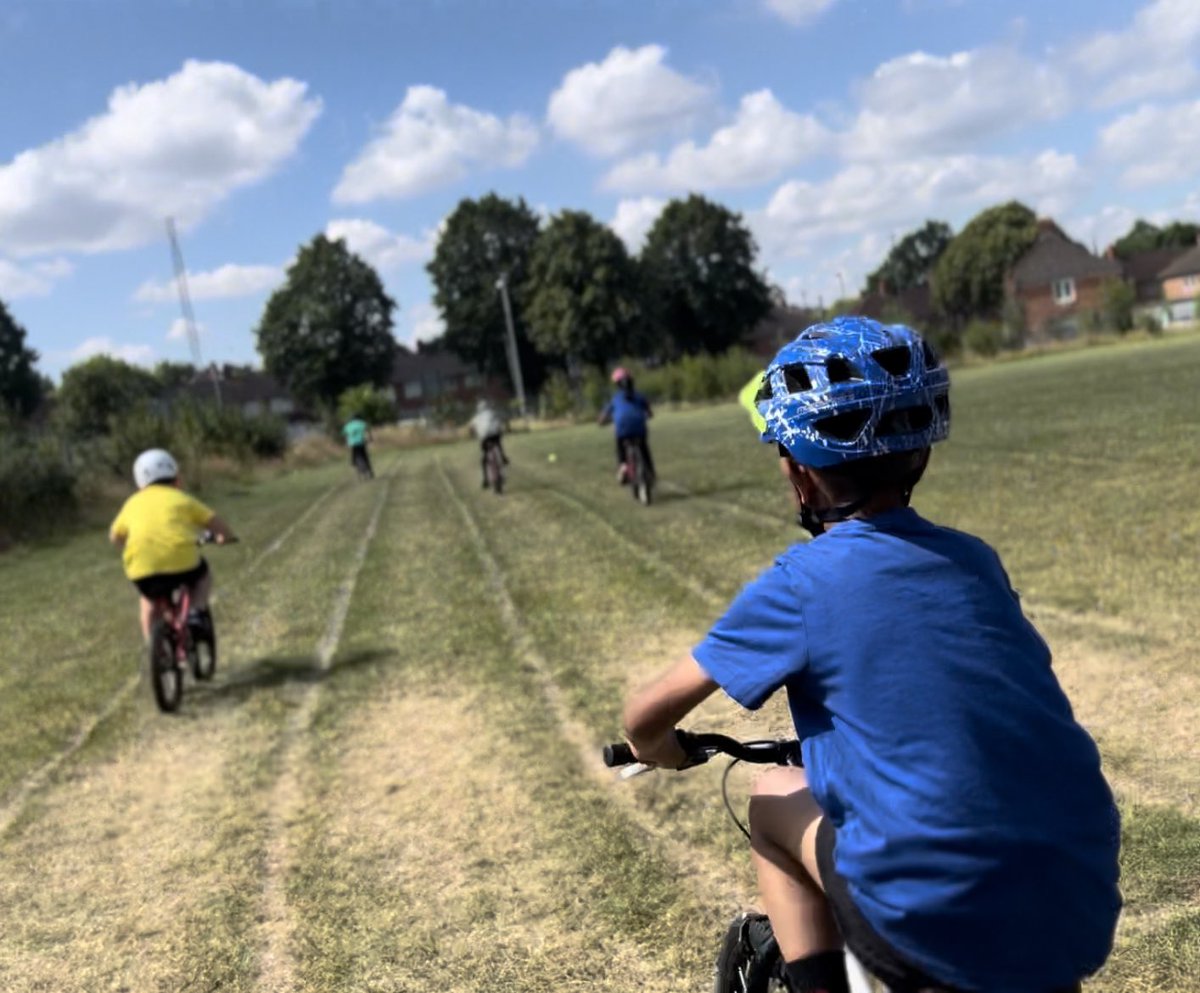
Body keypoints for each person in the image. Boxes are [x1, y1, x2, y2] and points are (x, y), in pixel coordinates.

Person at [619, 316, 1120, 993]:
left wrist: (662, 748)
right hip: (1076, 897)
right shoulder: (975, 561)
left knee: (771, 799)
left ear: (800, 476)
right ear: (922, 454)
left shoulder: (801, 584)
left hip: (929, 910)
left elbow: (645, 715)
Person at [109, 449, 237, 643]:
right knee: (203, 576)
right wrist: (225, 537)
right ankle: (194, 611)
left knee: (148, 601)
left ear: (139, 482)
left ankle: (152, 647)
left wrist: (128, 545)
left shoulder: (131, 504)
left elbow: (115, 537)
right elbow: (215, 522)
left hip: (143, 568)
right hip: (182, 563)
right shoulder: (183, 499)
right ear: (176, 478)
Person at [598, 367, 655, 484]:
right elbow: (649, 413)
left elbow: (603, 418)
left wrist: (604, 422)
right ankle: (650, 471)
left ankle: (623, 466)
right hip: (639, 428)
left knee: (620, 445)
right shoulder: (640, 396)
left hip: (622, 429)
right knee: (644, 448)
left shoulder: (615, 398)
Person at [469, 397, 509, 488]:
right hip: (495, 435)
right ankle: (503, 457)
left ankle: (485, 479)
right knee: (499, 444)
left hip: (484, 438)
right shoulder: (492, 413)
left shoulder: (476, 417)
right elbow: (501, 421)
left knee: (484, 456)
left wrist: (472, 435)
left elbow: (471, 428)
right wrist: (504, 429)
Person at [342, 412, 374, 479]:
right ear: (358, 418)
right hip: (361, 442)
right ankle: (368, 471)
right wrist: (370, 439)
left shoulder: (348, 425)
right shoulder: (362, 423)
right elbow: (367, 432)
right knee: (364, 456)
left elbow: (345, 435)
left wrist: (346, 443)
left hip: (352, 444)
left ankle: (360, 469)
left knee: (355, 457)